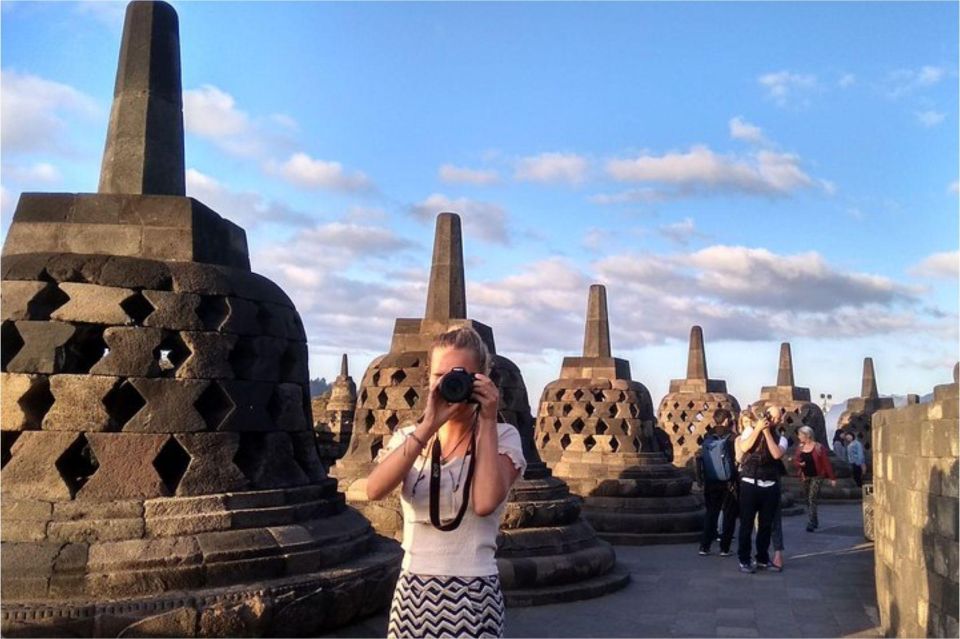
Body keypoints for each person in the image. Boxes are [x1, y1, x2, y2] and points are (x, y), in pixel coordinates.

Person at [366, 326, 526, 639]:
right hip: (412, 592)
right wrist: (427, 427)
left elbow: (483, 503)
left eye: (462, 376)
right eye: (440, 375)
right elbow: (374, 489)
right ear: (428, 379)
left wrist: (490, 420)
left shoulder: (503, 438)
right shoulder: (410, 438)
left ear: (483, 379)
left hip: (474, 594)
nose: (451, 384)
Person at [735, 406, 784, 574]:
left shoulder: (781, 438)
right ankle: (744, 559)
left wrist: (767, 433)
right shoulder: (750, 430)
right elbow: (744, 447)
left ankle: (762, 558)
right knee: (746, 524)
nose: (774, 420)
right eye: (772, 417)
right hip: (750, 482)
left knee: (765, 526)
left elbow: (777, 454)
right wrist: (757, 430)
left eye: (777, 419)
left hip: (770, 485)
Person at [695, 408, 738, 556]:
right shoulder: (732, 437)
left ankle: (704, 546)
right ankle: (724, 548)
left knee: (711, 513)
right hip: (728, 481)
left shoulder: (708, 435)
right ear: (726, 420)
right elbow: (736, 459)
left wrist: (700, 478)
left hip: (710, 479)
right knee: (728, 514)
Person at [794, 425, 836, 532]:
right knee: (807, 499)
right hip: (805, 475)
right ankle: (814, 519)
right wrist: (799, 464)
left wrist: (832, 477)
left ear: (807, 435)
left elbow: (826, 462)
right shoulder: (800, 447)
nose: (799, 437)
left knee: (812, 497)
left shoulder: (818, 447)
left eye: (800, 435)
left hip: (817, 476)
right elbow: (796, 461)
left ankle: (811, 522)